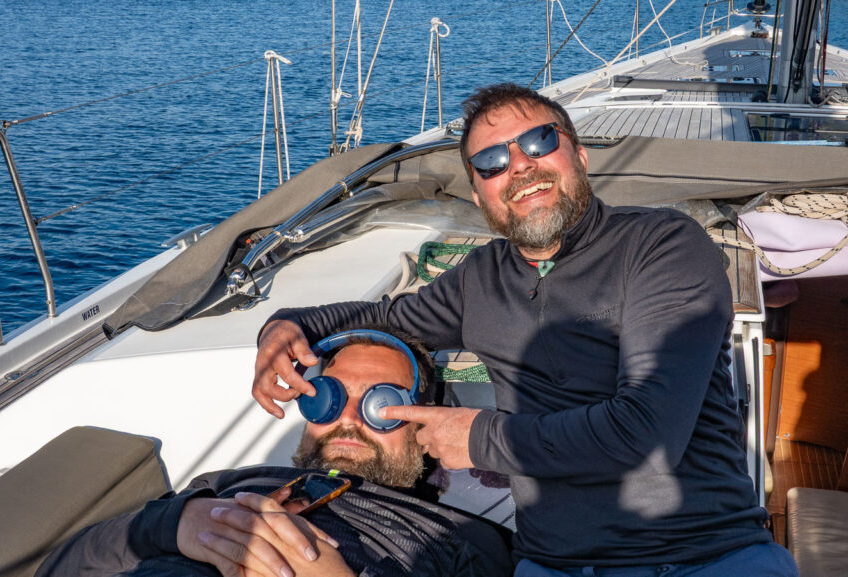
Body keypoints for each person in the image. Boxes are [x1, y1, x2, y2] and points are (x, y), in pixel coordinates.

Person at [252, 83, 797, 576]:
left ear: (578, 155)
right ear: (478, 196)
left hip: (700, 556)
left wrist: (480, 438)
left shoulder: (662, 246)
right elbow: (384, 319)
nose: (519, 166)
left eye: (538, 142)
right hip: (550, 563)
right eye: (490, 162)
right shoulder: (480, 280)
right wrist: (284, 326)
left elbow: (647, 437)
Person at [36, 327, 513, 577]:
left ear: (421, 425)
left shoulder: (465, 539)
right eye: (327, 396)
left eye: (381, 404)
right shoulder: (227, 484)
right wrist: (176, 523)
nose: (346, 418)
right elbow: (59, 567)